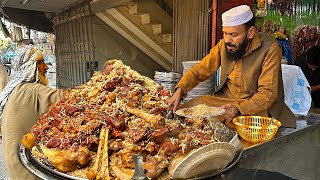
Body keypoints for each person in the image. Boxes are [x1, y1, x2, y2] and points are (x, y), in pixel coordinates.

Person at [168, 5, 295, 128]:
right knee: (187, 110)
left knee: (234, 123)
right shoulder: (224, 44)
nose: (227, 40)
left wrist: (238, 109)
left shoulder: (270, 47)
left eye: (234, 35)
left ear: (250, 33)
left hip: (254, 105)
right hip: (225, 101)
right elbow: (200, 70)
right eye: (225, 33)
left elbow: (267, 94)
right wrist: (181, 88)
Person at [0, 45, 65, 180]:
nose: (46, 67)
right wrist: (100, 83)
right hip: (28, 170)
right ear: (30, 66)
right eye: (40, 62)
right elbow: (66, 97)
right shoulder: (31, 90)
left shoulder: (15, 88)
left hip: (15, 165)